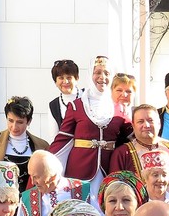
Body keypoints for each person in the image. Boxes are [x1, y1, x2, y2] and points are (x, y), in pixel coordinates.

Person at [49, 55, 134, 184]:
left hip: (109, 171)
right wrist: (45, 162)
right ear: (90, 75)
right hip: (80, 171)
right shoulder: (76, 106)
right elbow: (63, 140)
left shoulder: (119, 109)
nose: (102, 77)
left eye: (107, 73)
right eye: (97, 72)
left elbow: (135, 137)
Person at [0, 96, 49, 193]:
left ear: (29, 121)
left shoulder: (41, 146)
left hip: (29, 202)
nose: (14, 126)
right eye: (10, 120)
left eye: (20, 122)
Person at [109, 103, 169, 182]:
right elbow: (114, 187)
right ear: (133, 126)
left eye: (150, 120)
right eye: (140, 121)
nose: (146, 125)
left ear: (159, 123)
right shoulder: (122, 153)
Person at [46, 58, 80, 131]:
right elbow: (54, 137)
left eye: (69, 77)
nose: (65, 81)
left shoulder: (86, 97)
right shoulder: (53, 106)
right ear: (55, 81)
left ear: (77, 78)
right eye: (61, 78)